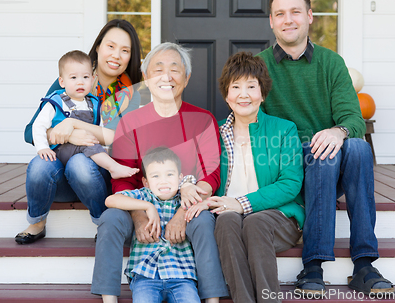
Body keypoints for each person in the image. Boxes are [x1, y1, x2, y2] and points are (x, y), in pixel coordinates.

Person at [256, 0, 394, 296]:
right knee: (322, 153)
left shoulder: (331, 63)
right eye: (280, 13)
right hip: (287, 168)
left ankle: (364, 265)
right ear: (271, 21)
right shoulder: (259, 66)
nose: (288, 19)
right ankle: (314, 263)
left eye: (295, 12)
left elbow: (354, 120)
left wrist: (338, 131)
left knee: (356, 146)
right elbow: (255, 125)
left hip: (332, 164)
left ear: (309, 16)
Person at [92, 42, 228, 303]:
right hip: (144, 205)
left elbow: (211, 177)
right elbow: (123, 181)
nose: (167, 77)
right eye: (158, 69)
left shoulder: (203, 120)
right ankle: (108, 299)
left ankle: (211, 299)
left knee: (203, 222)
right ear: (146, 78)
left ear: (186, 78)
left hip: (188, 207)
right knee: (109, 219)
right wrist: (139, 215)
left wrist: (182, 213)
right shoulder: (130, 122)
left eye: (175, 69)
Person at [185, 51, 304, 303]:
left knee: (254, 222)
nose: (243, 94)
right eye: (236, 87)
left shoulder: (284, 130)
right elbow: (197, 172)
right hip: (228, 216)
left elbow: (290, 183)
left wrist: (241, 203)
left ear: (262, 93)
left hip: (277, 218)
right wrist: (191, 187)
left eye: (251, 86)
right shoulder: (214, 132)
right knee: (227, 221)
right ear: (227, 96)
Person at [15, 19, 143, 245]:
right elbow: (30, 131)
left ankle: (105, 223)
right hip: (59, 177)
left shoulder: (130, 94)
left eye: (125, 51)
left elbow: (119, 140)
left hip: (96, 177)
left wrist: (74, 125)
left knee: (79, 165)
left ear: (130, 58)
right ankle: (37, 223)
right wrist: (58, 132)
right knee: (39, 165)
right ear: (98, 47)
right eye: (110, 46)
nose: (116, 55)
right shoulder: (71, 78)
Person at [105, 147, 200, 303]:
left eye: (170, 174)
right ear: (146, 182)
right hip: (145, 276)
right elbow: (110, 200)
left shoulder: (185, 199)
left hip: (182, 275)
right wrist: (147, 206)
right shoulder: (143, 195)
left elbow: (203, 196)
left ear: (179, 178)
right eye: (156, 176)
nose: (163, 181)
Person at [31, 50, 139, 179]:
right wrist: (42, 147)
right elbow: (38, 125)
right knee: (89, 147)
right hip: (60, 150)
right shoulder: (55, 102)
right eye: (73, 78)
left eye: (85, 77)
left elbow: (99, 129)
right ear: (62, 82)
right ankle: (114, 168)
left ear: (93, 79)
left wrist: (102, 147)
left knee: (91, 144)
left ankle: (111, 167)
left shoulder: (93, 104)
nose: (80, 82)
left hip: (84, 154)